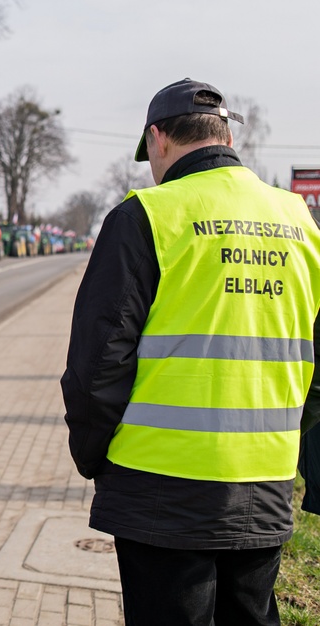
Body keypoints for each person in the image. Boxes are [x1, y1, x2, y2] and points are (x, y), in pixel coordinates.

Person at [61, 78, 320, 625]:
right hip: (266, 480)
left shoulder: (145, 217)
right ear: (225, 135)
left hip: (160, 486)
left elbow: (96, 366)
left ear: (158, 139)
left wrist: (92, 457)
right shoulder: (300, 221)